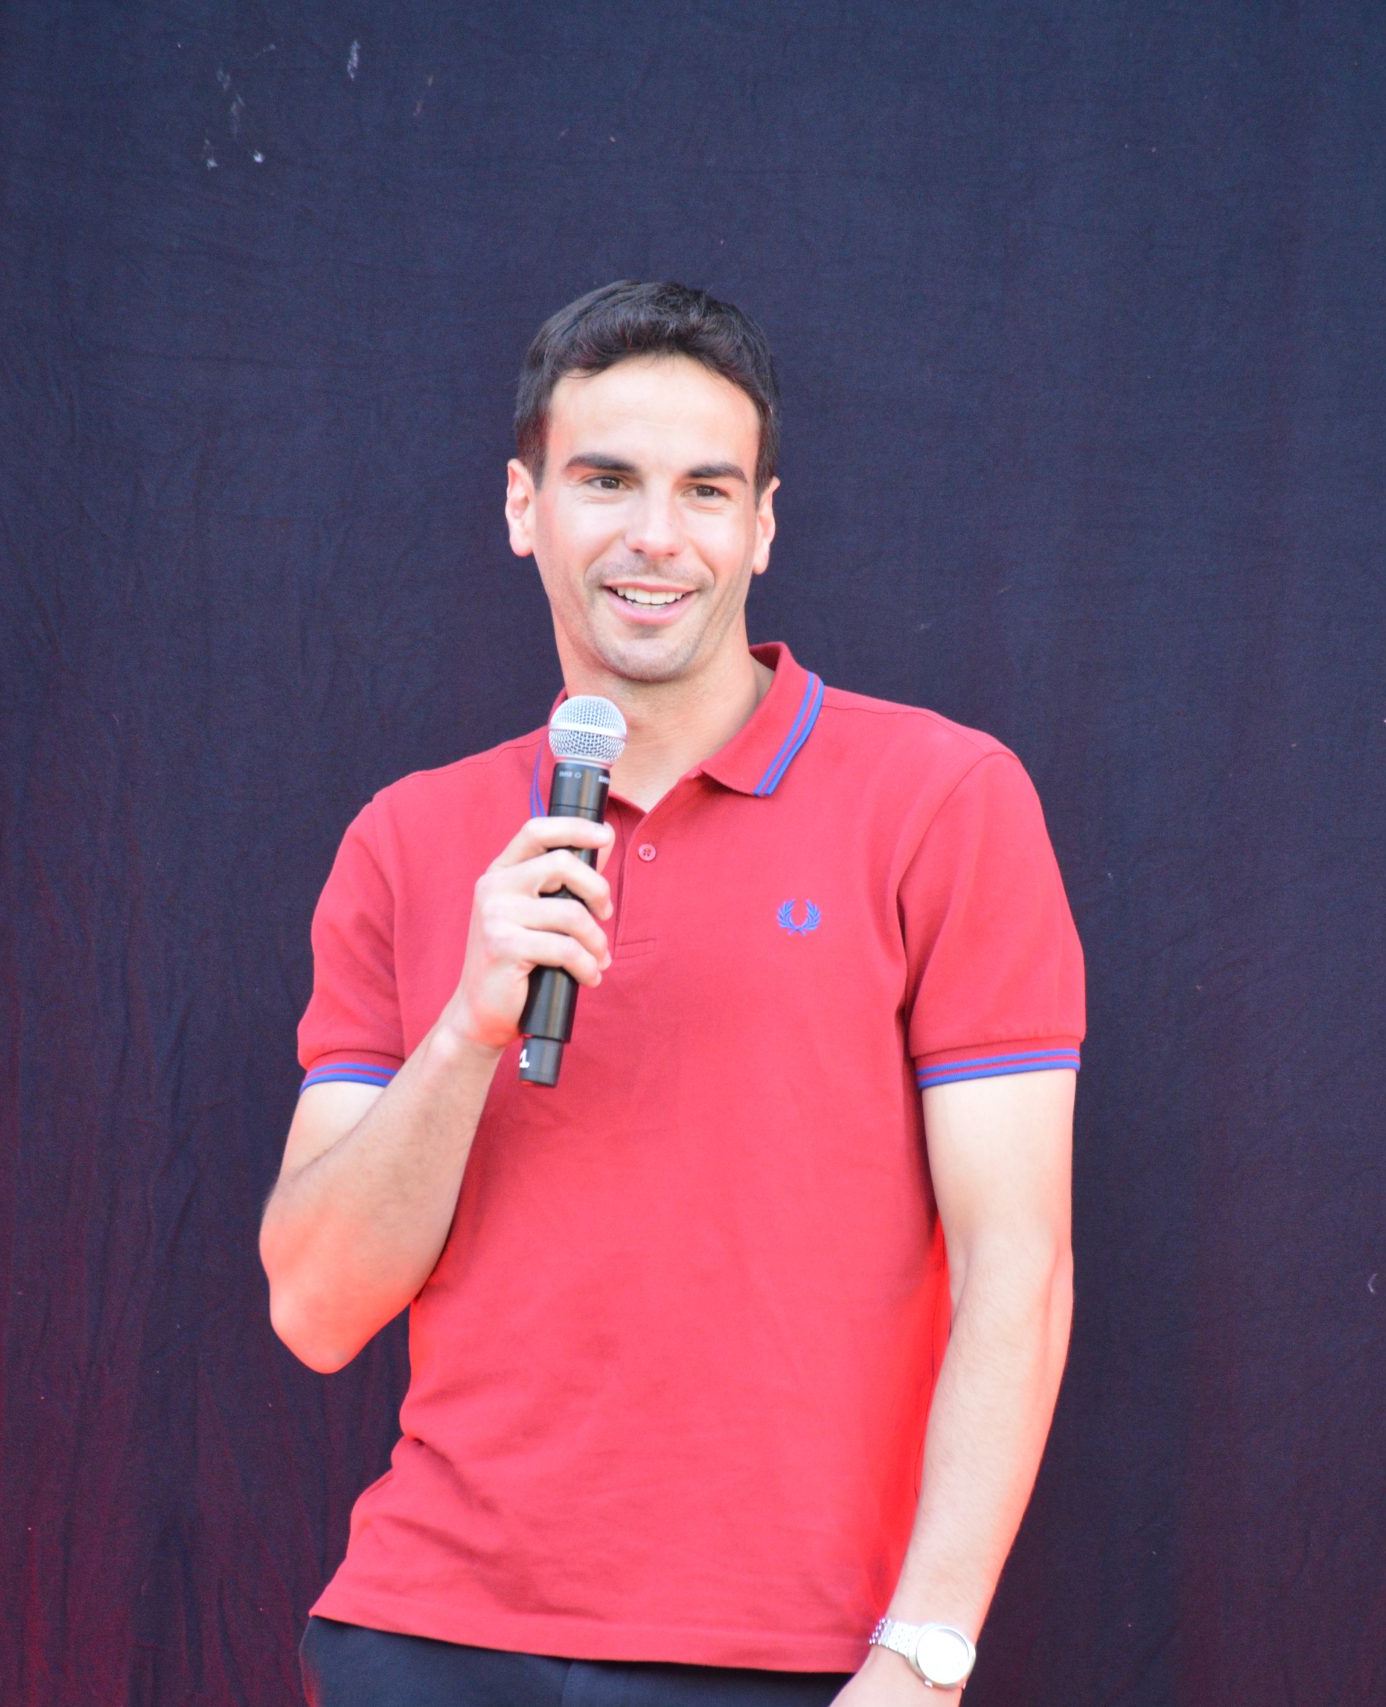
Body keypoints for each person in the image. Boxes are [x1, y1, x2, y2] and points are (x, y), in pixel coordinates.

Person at [259, 280, 1085, 1707]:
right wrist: (466, 1028)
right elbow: (318, 1309)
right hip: (430, 1639)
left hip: (793, 1656)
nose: (657, 534)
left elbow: (1022, 1266)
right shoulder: (409, 838)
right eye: (605, 481)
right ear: (522, 507)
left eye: (706, 489)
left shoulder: (943, 799)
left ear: (762, 527)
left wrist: (926, 1655)